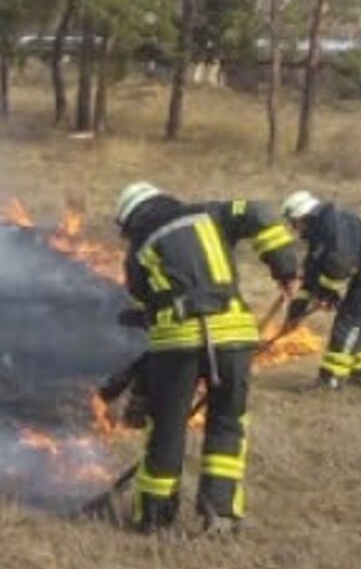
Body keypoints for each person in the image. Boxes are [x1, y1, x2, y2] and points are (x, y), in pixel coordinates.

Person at [112, 182, 298, 533]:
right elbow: (258, 212)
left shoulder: (137, 253)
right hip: (234, 335)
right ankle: (221, 516)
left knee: (166, 428)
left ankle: (152, 518)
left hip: (177, 343)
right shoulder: (208, 213)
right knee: (227, 421)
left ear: (131, 219)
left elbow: (146, 311)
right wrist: (285, 268)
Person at [279, 190, 361, 390]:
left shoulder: (333, 227)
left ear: (301, 217)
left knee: (349, 324)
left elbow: (340, 264)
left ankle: (330, 380)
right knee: (354, 323)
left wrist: (327, 292)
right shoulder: (320, 229)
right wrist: (298, 307)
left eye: (292, 221)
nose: (293, 227)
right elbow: (313, 270)